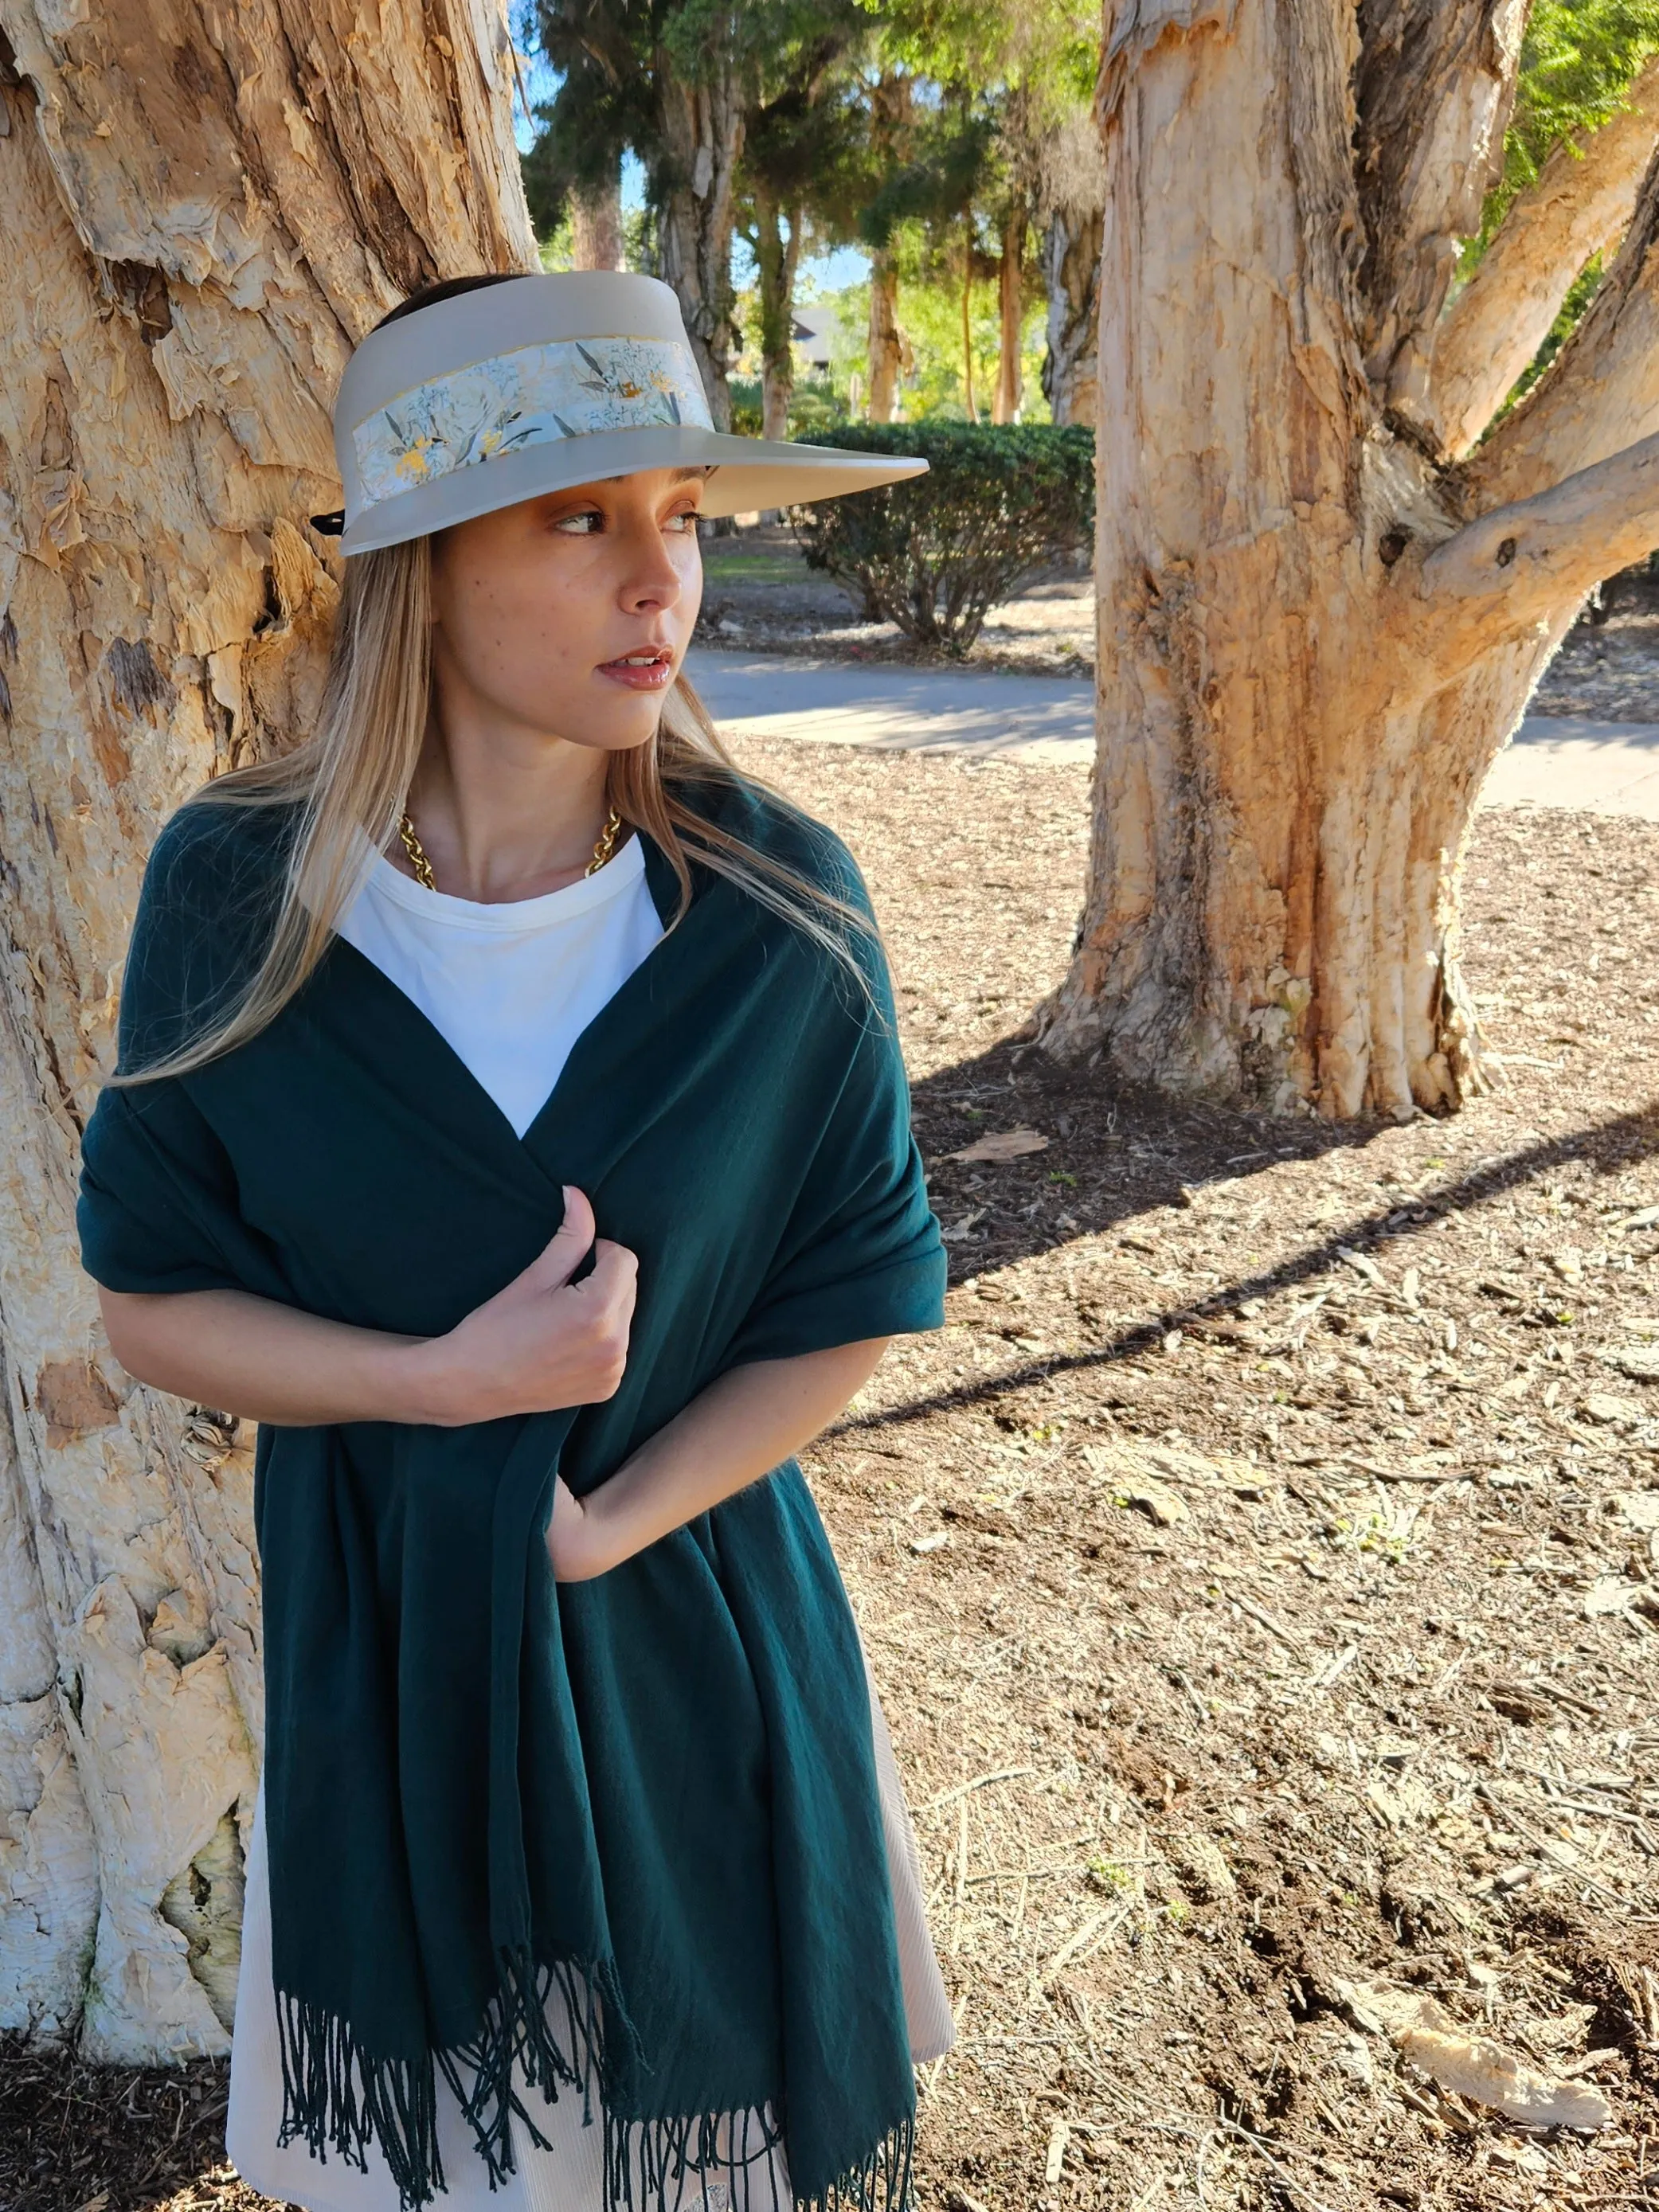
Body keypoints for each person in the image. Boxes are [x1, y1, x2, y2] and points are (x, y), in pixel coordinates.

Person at [74, 272, 953, 2212]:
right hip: (387, 1681)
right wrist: (436, 1386)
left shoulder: (776, 911)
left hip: (698, 1681)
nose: (663, 585)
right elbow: (150, 1296)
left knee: (699, 2161)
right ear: (422, 565)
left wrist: (605, 1519)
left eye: (685, 521)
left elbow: (857, 1293)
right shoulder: (242, 900)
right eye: (582, 519)